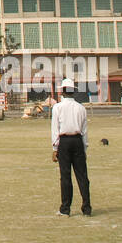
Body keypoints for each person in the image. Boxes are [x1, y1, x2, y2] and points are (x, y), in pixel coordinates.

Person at [51, 78, 91, 216]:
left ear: (62, 91)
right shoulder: (81, 108)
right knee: (82, 176)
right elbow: (84, 131)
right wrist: (84, 149)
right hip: (78, 141)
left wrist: (55, 149)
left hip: (64, 142)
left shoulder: (57, 107)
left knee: (65, 176)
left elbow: (55, 130)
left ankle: (65, 208)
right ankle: (87, 208)